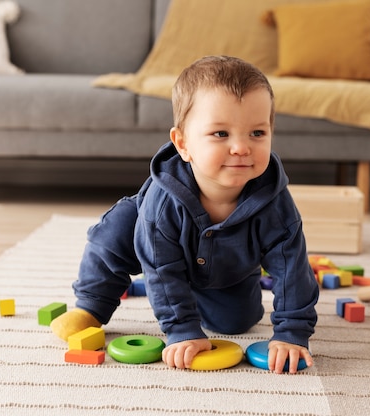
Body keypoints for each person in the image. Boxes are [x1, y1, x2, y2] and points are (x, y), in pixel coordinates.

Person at [51, 55, 319, 374]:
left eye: (257, 133)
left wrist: (292, 333)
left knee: (237, 323)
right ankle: (91, 306)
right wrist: (181, 329)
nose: (241, 147)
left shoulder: (275, 203)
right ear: (183, 144)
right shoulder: (163, 203)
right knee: (115, 230)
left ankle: (201, 294)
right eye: (221, 134)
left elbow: (293, 270)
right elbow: (162, 269)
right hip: (148, 245)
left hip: (225, 267)